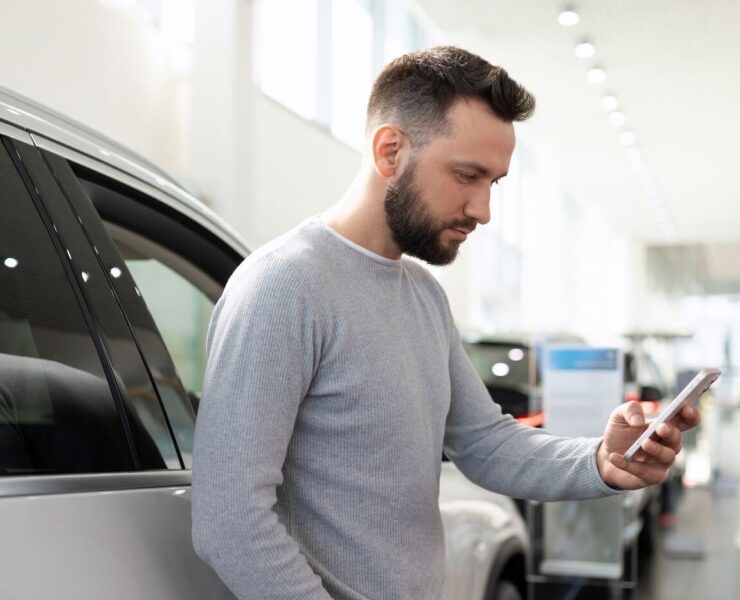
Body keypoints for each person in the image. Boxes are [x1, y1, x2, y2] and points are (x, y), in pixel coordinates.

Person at [191, 46, 700, 600]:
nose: (482, 210)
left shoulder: (424, 297)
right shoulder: (283, 286)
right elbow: (230, 522)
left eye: (494, 183)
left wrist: (601, 460)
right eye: (467, 175)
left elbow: (485, 443)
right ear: (390, 151)